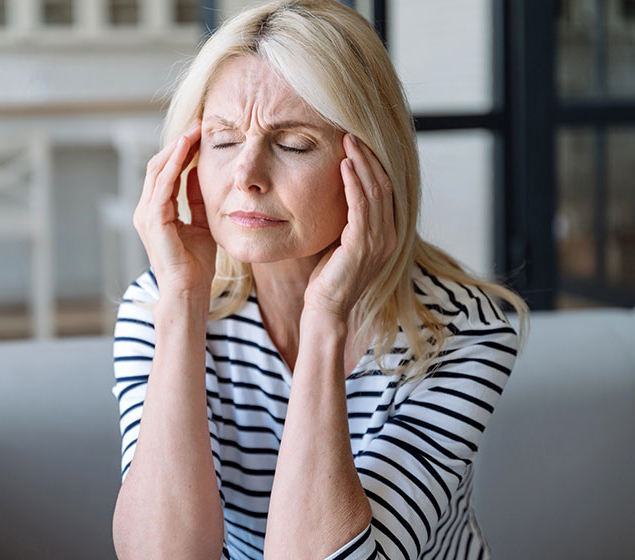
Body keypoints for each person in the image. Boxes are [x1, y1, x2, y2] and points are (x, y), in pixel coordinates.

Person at [110, 1, 529, 558]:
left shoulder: (465, 331)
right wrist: (183, 303)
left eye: (293, 144)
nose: (247, 176)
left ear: (373, 164)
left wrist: (325, 320)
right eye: (223, 139)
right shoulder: (158, 304)